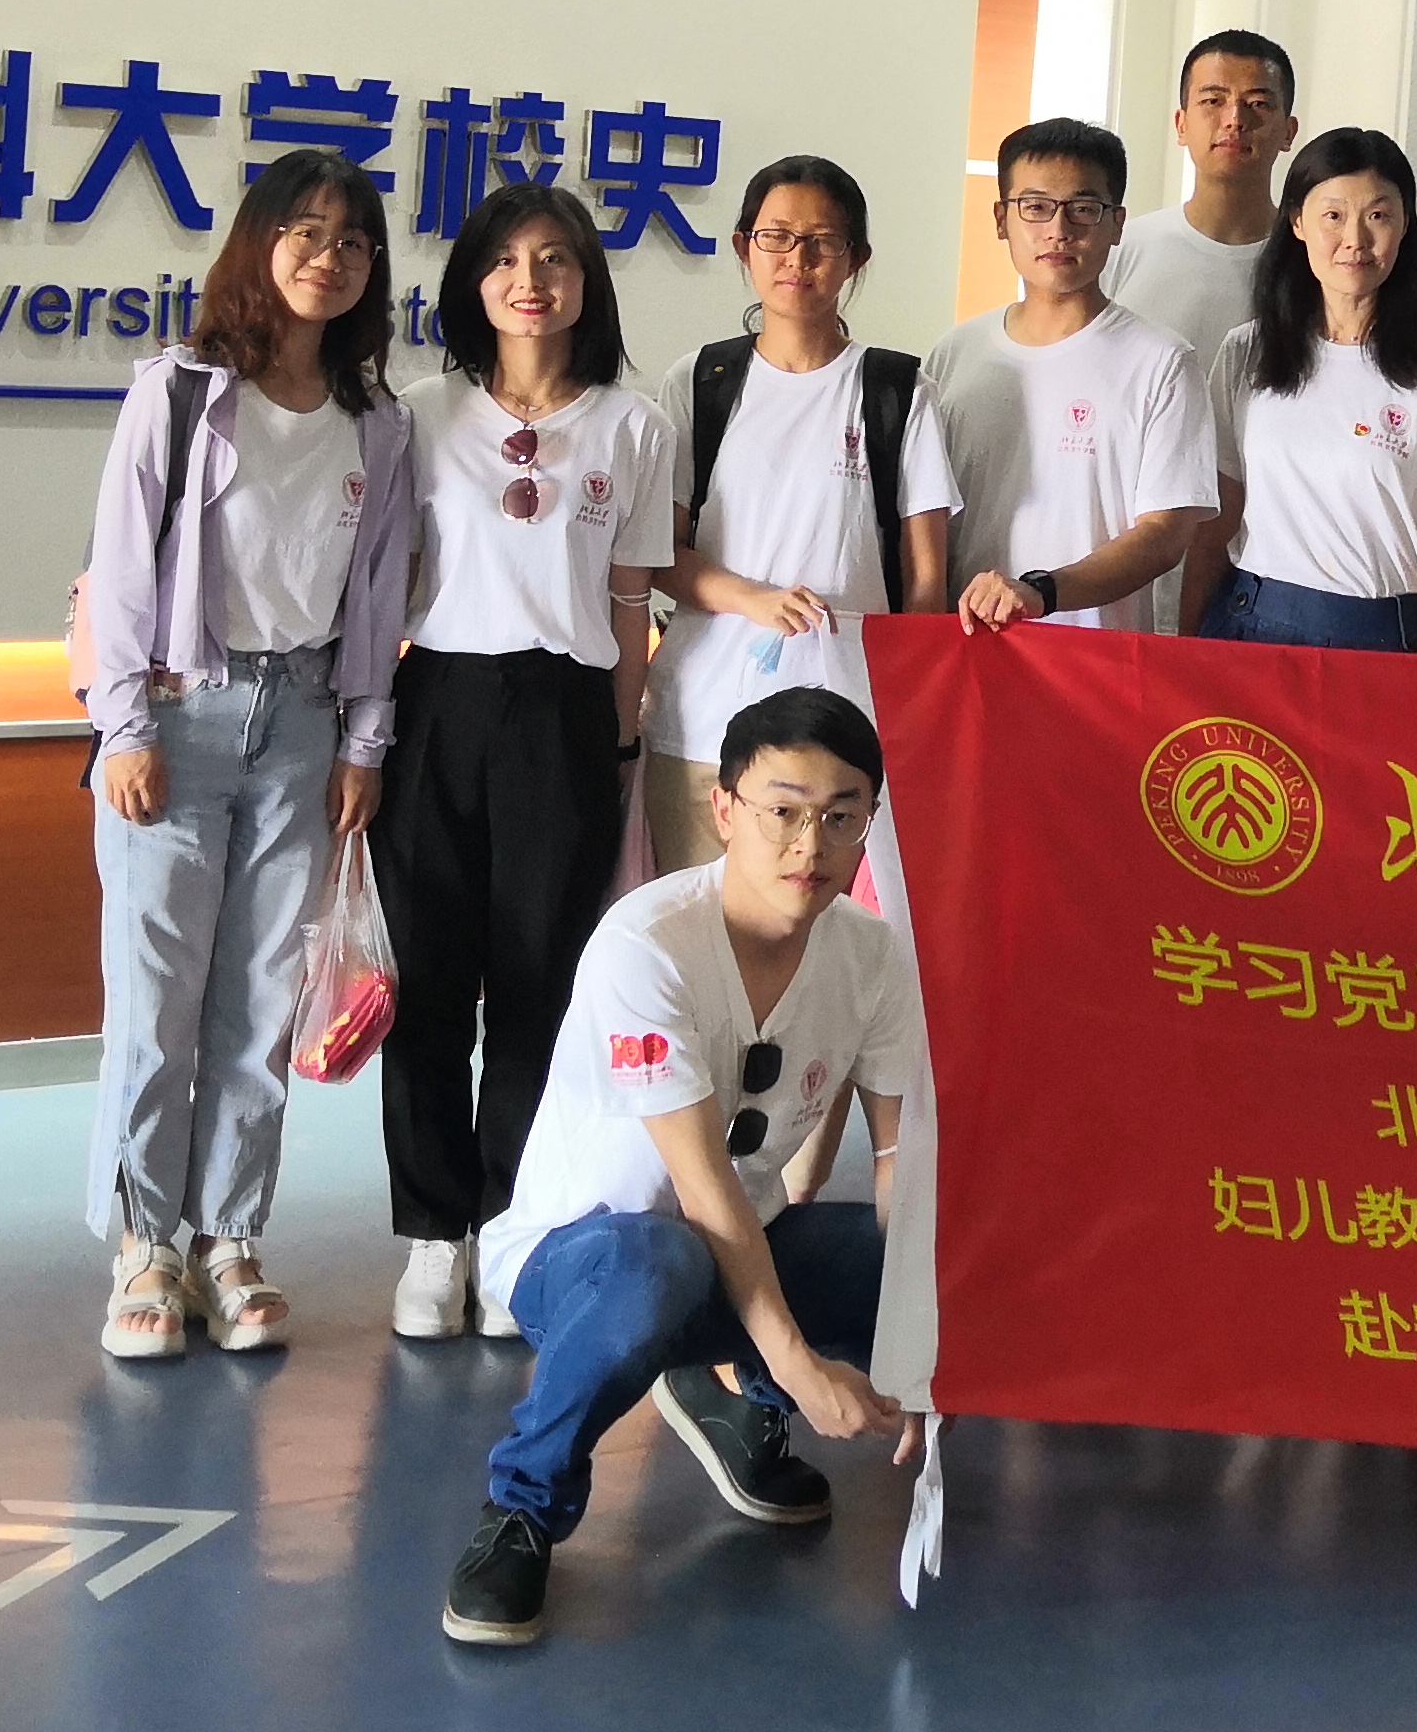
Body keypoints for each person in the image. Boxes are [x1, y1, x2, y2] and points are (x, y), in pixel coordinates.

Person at [444, 686, 923, 1648]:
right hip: (584, 1261)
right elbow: (701, 1191)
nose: (811, 845)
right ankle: (522, 1508)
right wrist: (801, 1362)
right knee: (660, 1263)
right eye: (783, 811)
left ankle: (738, 1404)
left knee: (907, 1261)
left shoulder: (873, 957)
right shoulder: (647, 944)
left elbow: (899, 1161)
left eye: (842, 817)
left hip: (737, 1250)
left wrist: (924, 1342)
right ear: (724, 808)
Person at [71, 152, 416, 1362]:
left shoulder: (379, 421)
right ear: (259, 246)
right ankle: (144, 1246)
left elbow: (378, 593)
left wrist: (364, 738)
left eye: (354, 241)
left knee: (263, 1002)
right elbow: (121, 567)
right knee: (155, 1002)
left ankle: (228, 1235)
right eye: (306, 233)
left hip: (304, 720)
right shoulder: (180, 393)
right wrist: (122, 725)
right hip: (180, 715)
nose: (331, 257)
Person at [381, 181, 678, 1343]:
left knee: (538, 987)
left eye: (555, 259)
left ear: (586, 282)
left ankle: (512, 1224)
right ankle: (432, 1231)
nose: (530, 281)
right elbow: (385, 585)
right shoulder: (420, 413)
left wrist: (619, 739)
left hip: (564, 717)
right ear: (474, 282)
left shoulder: (632, 425)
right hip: (437, 701)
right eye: (505, 260)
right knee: (426, 983)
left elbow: (630, 599)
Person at [647, 154, 955, 876]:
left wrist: (910, 718)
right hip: (704, 723)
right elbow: (661, 553)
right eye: (777, 237)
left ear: (856, 258)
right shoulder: (700, 381)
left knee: (831, 932)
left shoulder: (897, 390)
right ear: (743, 246)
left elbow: (926, 580)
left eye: (823, 241)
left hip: (846, 730)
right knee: (699, 926)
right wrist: (754, 599)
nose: (798, 258)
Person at [1181, 126, 1417, 652]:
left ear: (1405, 224)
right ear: (1297, 222)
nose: (1356, 239)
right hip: (1254, 626)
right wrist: (1186, 654)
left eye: (1378, 215)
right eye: (1333, 216)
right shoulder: (1248, 352)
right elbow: (1215, 527)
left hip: (1387, 637)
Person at [930, 120, 1215, 636]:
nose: (1058, 230)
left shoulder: (1163, 362)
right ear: (1001, 219)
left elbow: (1165, 535)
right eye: (1035, 207)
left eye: (1083, 208)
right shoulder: (955, 353)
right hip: (968, 646)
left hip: (1094, 657)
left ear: (1117, 224)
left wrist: (1042, 591)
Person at [1106, 30, 1296, 620]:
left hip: (1269, 574)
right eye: (1213, 100)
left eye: (1258, 103)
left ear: (1289, 130)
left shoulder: (1316, 262)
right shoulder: (1123, 250)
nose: (1235, 119)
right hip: (1134, 559)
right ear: (1182, 123)